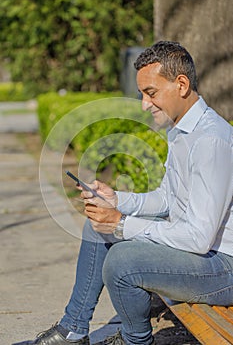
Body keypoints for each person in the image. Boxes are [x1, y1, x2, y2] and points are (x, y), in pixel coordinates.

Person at [13, 41, 233, 345]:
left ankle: (137, 340)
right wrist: (117, 200)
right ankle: (73, 329)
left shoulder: (210, 140)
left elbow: (199, 238)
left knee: (122, 261)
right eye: (142, 94)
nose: (144, 104)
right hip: (200, 253)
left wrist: (121, 223)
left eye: (151, 93)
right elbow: (168, 198)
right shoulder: (180, 130)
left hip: (222, 267)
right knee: (98, 228)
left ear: (181, 85)